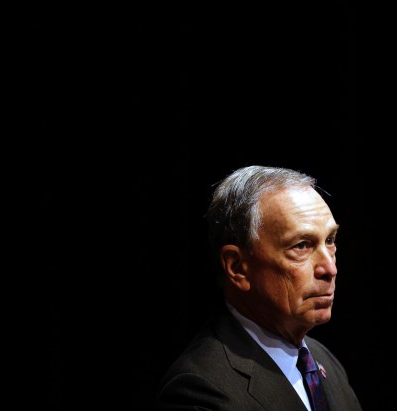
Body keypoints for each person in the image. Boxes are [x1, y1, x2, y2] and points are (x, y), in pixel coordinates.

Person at [153, 165, 363, 411]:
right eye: (301, 246)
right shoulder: (199, 390)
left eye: (330, 241)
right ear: (238, 267)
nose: (330, 268)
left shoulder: (325, 361)